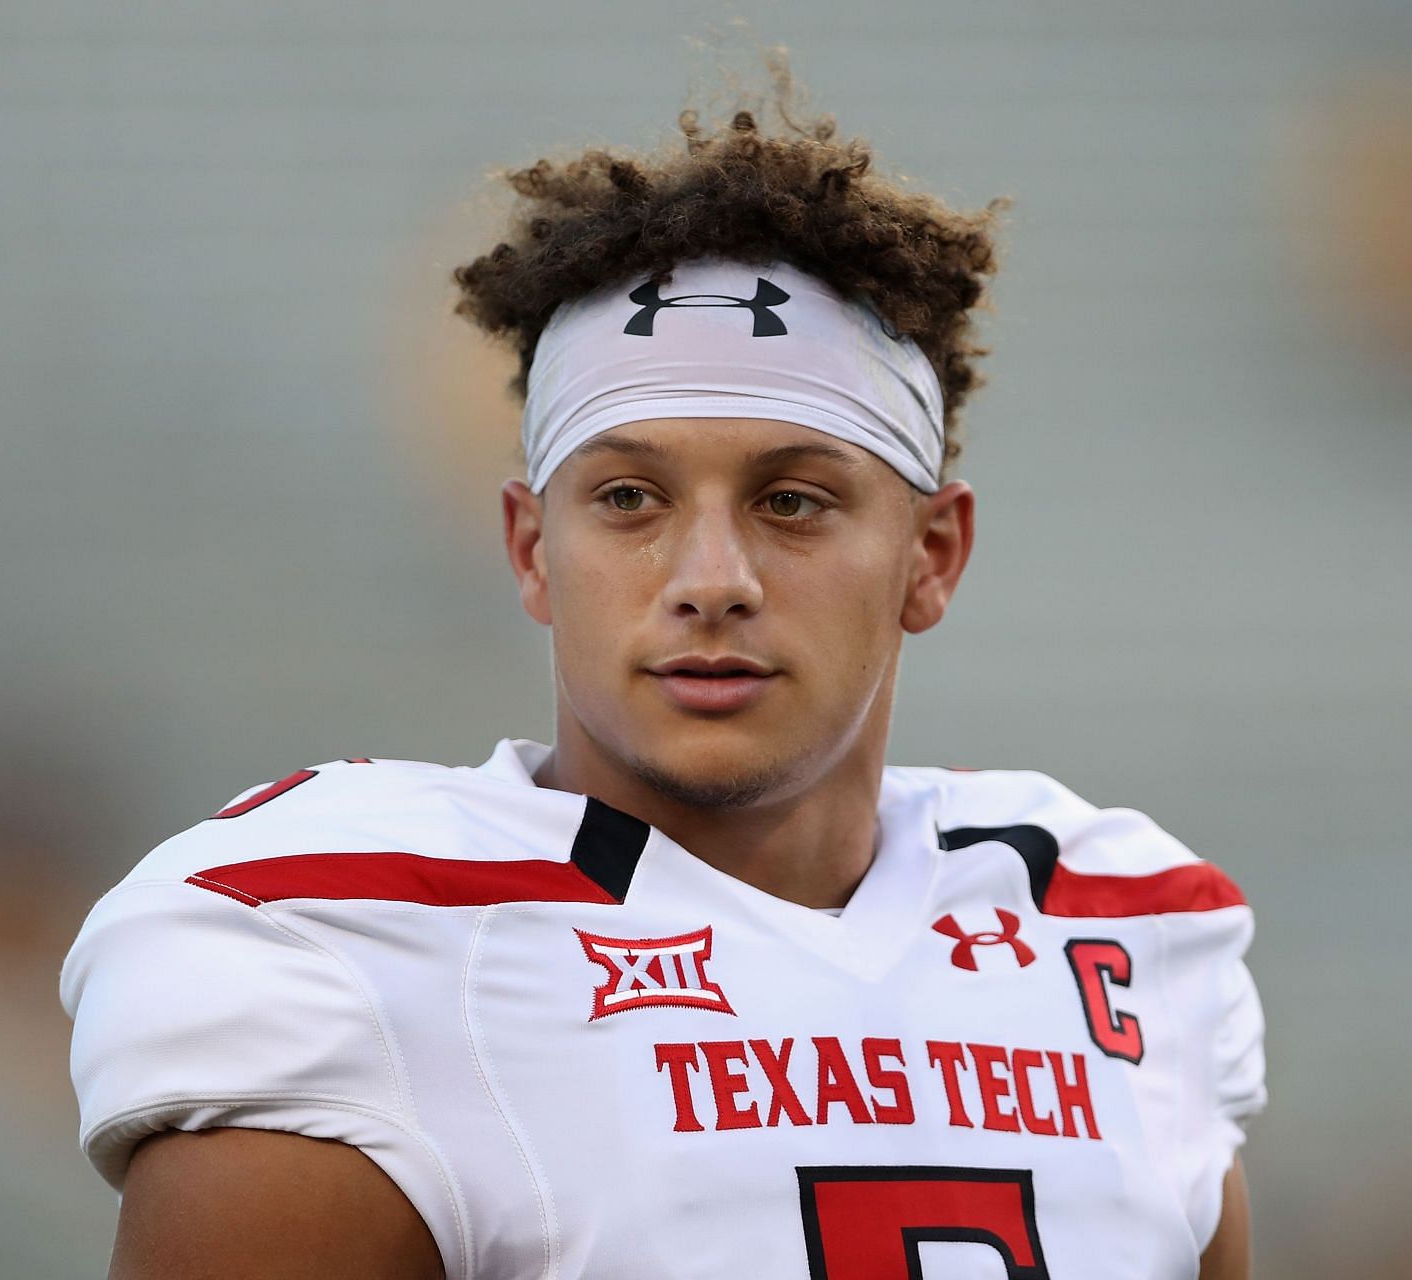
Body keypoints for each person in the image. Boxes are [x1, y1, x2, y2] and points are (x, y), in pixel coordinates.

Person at [61, 87, 1264, 1280]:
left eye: (792, 500)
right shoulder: (350, 942)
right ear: (534, 550)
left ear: (930, 556)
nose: (712, 579)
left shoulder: (1118, 927)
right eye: (629, 498)